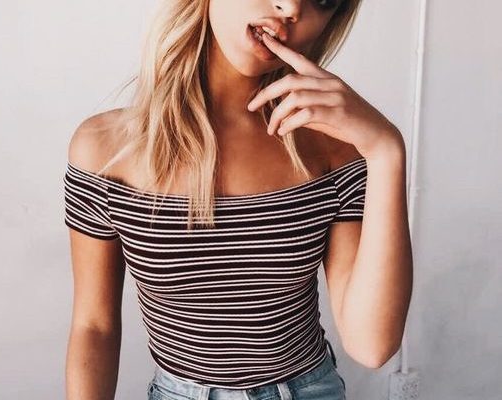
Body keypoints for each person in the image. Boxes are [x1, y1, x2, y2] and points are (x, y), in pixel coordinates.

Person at [63, 0, 413, 399]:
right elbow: (94, 326)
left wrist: (386, 150)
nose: (291, 8)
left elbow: (371, 345)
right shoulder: (104, 152)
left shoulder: (334, 148)